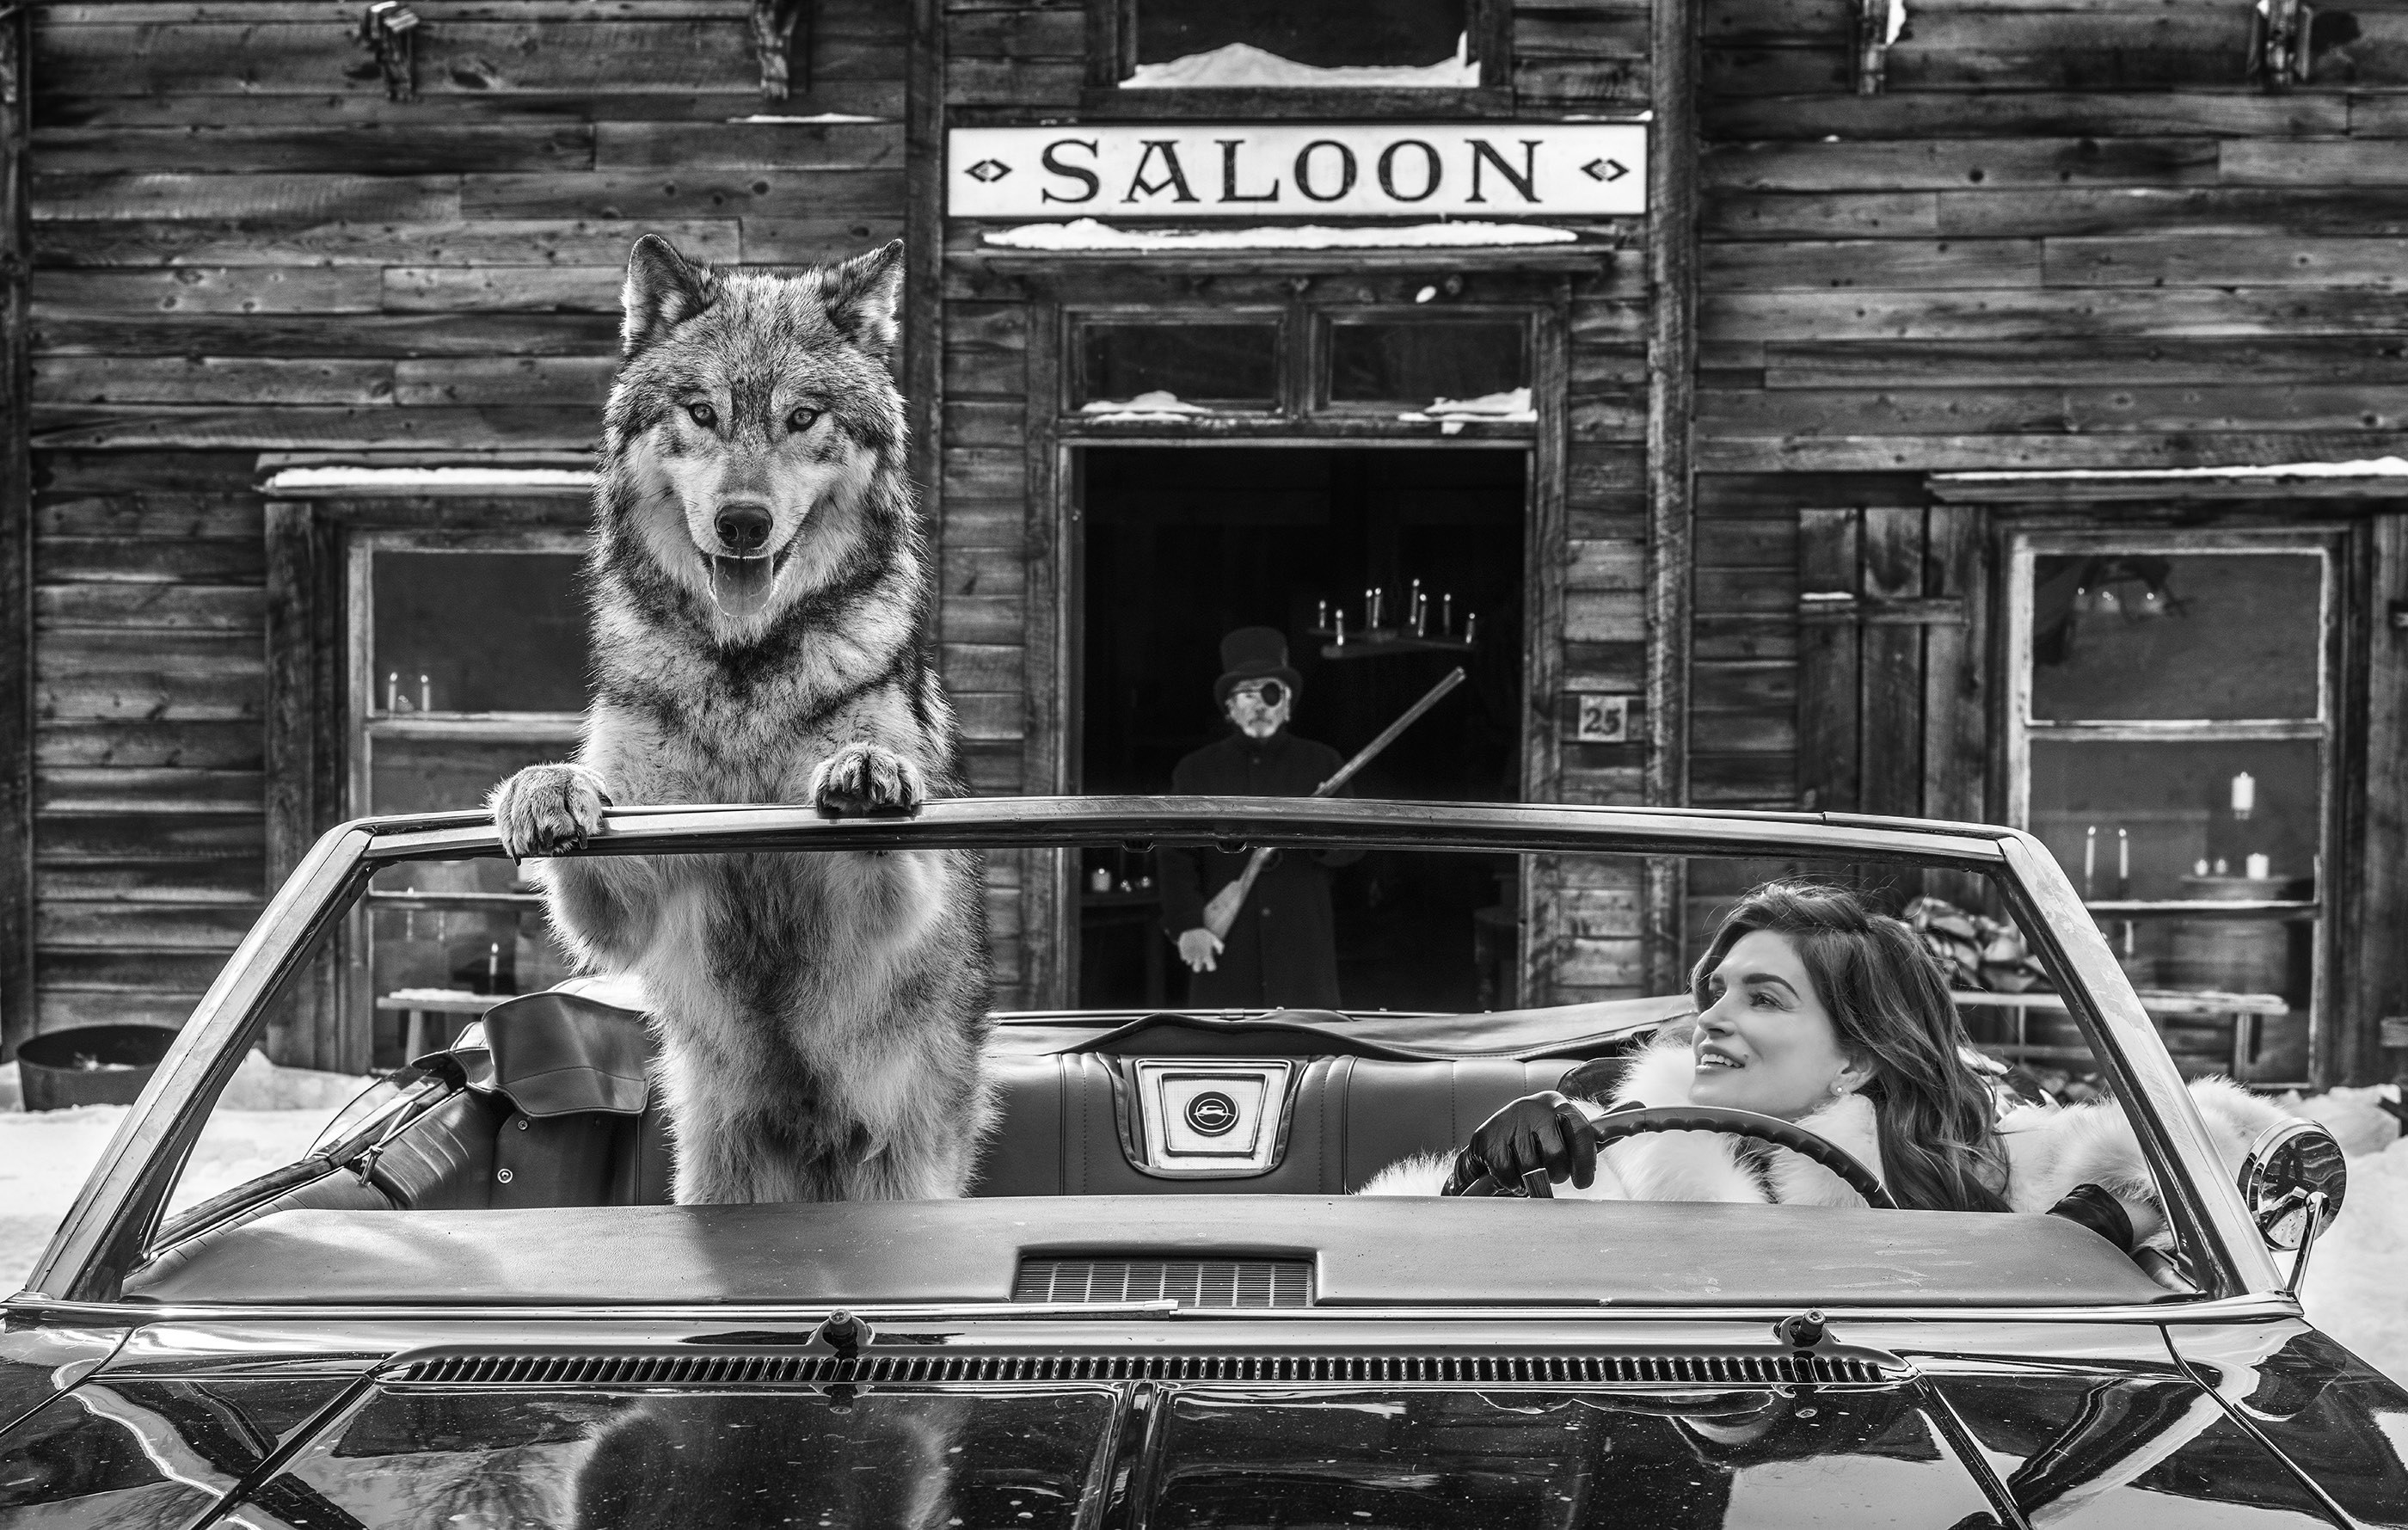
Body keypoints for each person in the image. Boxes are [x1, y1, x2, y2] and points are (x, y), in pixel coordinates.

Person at [1363, 882, 2296, 1266]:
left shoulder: (1973, 1163)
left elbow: (2200, 1163)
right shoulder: (1604, 1156)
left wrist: (2086, 1231)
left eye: (1762, 998)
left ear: (1855, 1054)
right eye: (1714, 990)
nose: (1712, 1019)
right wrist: (1475, 1188)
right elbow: (1431, 1326)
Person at [1158, 627, 1363, 1011]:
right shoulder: (1196, 771)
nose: (1260, 706)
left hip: (1302, 955)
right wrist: (1187, 925)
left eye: (1271, 693)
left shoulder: (1323, 763)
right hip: (1225, 952)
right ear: (1229, 709)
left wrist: (1317, 827)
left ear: (1288, 705)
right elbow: (1175, 857)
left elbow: (1352, 850)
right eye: (1247, 694)